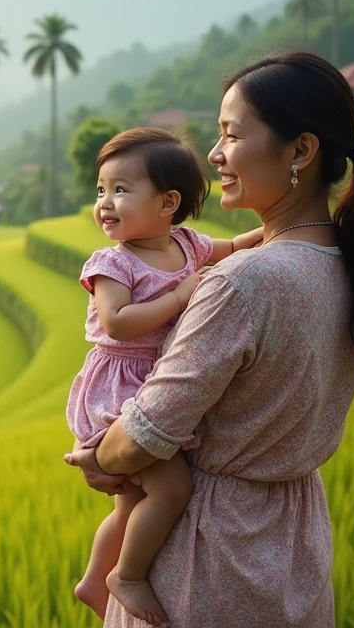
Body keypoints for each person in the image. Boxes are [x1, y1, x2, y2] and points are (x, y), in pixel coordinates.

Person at [64, 50, 354, 627]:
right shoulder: (347, 263)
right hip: (293, 542)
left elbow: (144, 436)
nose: (215, 155)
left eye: (230, 135)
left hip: (207, 558)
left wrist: (100, 455)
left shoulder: (242, 283)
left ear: (300, 150)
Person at [67, 127, 264, 623]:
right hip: (119, 385)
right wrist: (180, 297)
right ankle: (125, 576)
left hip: (152, 382)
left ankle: (93, 580)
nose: (105, 203)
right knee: (172, 488)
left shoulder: (187, 244)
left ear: (168, 202)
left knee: (131, 501)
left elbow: (236, 244)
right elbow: (116, 321)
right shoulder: (113, 262)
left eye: (120, 190)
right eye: (100, 190)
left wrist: (277, 232)